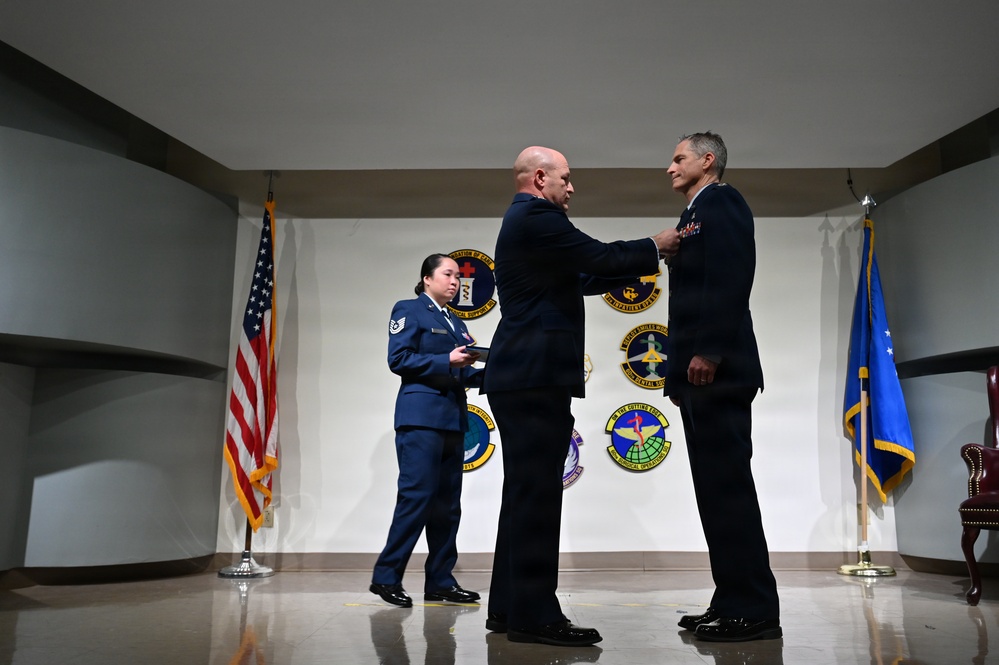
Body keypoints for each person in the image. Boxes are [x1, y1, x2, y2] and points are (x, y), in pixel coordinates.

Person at [481, 146, 680, 646]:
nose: (571, 188)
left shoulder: (528, 222)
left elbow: (585, 276)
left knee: (525, 496)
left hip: (523, 377)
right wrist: (657, 244)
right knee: (538, 498)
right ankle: (535, 617)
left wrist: (643, 267)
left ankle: (509, 608)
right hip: (533, 379)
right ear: (541, 177)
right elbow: (596, 255)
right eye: (566, 179)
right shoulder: (537, 217)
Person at [662, 132, 781, 642]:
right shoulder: (695, 214)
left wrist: (709, 350)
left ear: (707, 161)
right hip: (695, 376)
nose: (669, 168)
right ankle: (729, 598)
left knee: (728, 492)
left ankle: (754, 607)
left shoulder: (723, 201)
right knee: (714, 493)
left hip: (718, 370)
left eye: (679, 158)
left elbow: (733, 278)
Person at [370, 254, 484, 608]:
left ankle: (440, 582)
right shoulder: (409, 309)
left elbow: (461, 374)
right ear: (427, 279)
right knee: (416, 499)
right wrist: (446, 360)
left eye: (457, 277)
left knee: (448, 506)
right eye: (448, 274)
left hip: (452, 420)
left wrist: (499, 370)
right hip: (420, 419)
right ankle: (386, 578)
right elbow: (399, 359)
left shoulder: (456, 322)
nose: (455, 281)